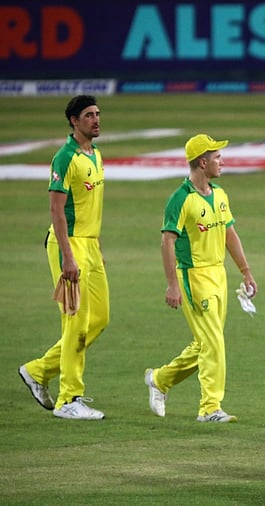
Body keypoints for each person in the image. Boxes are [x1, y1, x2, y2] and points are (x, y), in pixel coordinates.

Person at [144, 134, 257, 423]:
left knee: (206, 343)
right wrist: (172, 284)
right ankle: (210, 408)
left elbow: (230, 233)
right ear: (202, 162)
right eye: (217, 157)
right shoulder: (181, 199)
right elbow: (167, 241)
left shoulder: (219, 195)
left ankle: (160, 379)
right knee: (214, 343)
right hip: (193, 276)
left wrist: (245, 271)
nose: (222, 161)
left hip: (218, 274)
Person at [18, 95, 109, 420]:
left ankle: (38, 370)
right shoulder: (65, 158)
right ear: (74, 121)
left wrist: (97, 246)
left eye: (98, 114)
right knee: (76, 320)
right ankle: (68, 398)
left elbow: (90, 208)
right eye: (88, 115)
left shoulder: (95, 155)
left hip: (90, 246)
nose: (96, 120)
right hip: (67, 244)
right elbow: (57, 210)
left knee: (99, 318)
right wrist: (69, 258)